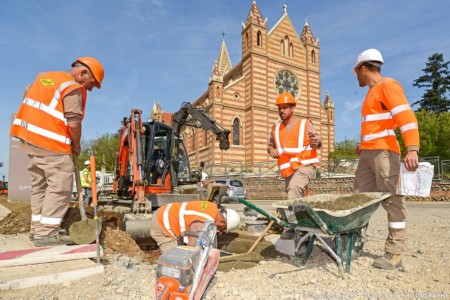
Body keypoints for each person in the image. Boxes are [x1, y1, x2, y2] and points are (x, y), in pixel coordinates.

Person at [10, 57, 104, 247]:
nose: (90, 89)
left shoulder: (44, 78)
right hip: (52, 144)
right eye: (92, 83)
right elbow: (74, 123)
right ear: (83, 73)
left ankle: (37, 229)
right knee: (60, 188)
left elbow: (26, 93)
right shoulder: (71, 87)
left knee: (40, 187)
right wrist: (76, 145)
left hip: (31, 142)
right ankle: (46, 234)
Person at [352, 49, 420, 270]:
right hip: (368, 154)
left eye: (356, 72)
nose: (356, 76)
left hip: (385, 153)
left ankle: (394, 253)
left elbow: (407, 118)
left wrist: (412, 149)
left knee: (392, 201)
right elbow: (377, 126)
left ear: (363, 68)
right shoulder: (371, 92)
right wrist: (362, 146)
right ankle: (355, 244)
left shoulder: (388, 86)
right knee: (359, 200)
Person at [267, 92, 322, 239]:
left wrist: (317, 142)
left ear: (293, 108)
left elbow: (317, 140)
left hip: (305, 165)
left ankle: (293, 226)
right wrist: (271, 150)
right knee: (294, 198)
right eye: (280, 108)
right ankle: (306, 224)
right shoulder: (275, 129)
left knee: (293, 190)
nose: (282, 111)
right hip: (288, 169)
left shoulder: (305, 123)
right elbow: (270, 146)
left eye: (285, 108)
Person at [150, 200, 240, 253]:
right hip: (162, 223)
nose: (220, 232)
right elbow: (192, 248)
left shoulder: (212, 207)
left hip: (164, 212)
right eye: (223, 230)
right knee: (175, 260)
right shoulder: (201, 223)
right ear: (222, 222)